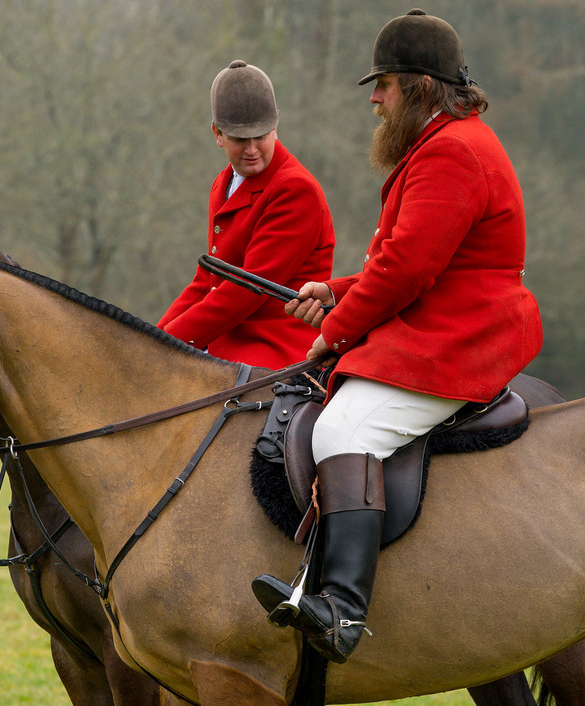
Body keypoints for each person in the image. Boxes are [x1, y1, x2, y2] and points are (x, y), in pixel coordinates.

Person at [251, 9, 543, 663]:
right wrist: (341, 291)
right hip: (447, 317)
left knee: (342, 430)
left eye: (381, 86)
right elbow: (410, 260)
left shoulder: (454, 153)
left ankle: (343, 614)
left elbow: (411, 267)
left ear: (416, 86)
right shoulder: (446, 145)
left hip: (465, 334)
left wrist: (336, 330)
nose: (375, 101)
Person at [157, 60, 335, 370]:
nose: (252, 149)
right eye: (240, 139)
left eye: (262, 136)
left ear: (275, 127)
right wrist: (152, 339)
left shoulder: (295, 189)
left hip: (275, 345)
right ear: (217, 134)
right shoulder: (224, 183)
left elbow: (246, 291)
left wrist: (167, 347)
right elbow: (207, 281)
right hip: (227, 336)